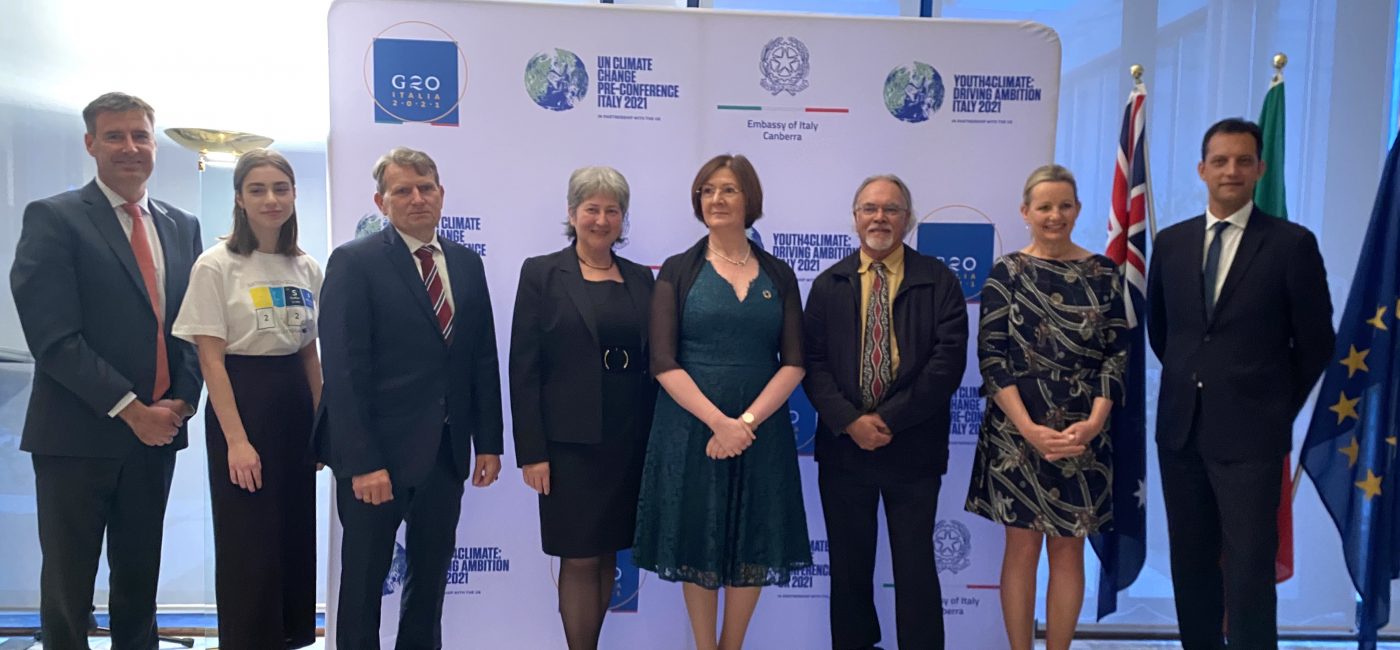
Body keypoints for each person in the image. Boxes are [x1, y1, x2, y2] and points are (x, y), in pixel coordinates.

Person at [9, 91, 203, 649]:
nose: (130, 147)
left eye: (141, 135)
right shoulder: (54, 217)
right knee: (69, 586)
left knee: (140, 579)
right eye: (115, 135)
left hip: (157, 436)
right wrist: (130, 409)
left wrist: (181, 403)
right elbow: (53, 336)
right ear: (91, 144)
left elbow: (192, 327)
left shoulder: (181, 225)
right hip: (76, 435)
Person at [1147, 118, 1334, 649]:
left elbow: (1317, 342)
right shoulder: (1173, 242)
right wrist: (1199, 381)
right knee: (1191, 562)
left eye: (1243, 160)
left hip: (1253, 436)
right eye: (1221, 161)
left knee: (1250, 569)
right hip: (1182, 430)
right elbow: (1167, 333)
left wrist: (1273, 403)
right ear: (1202, 169)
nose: (1232, 170)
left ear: (1260, 169)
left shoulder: (1291, 245)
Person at [315, 146, 504, 650]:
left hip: (445, 454)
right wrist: (362, 463)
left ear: (441, 195)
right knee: (363, 586)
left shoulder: (466, 264)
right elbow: (343, 371)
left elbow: (481, 358)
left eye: (426, 188)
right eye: (403, 190)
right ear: (382, 201)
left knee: (430, 583)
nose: (417, 198)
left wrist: (488, 442)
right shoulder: (354, 263)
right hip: (377, 459)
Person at [633, 154, 811, 650]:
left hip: (762, 431)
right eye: (708, 190)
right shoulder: (676, 271)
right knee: (699, 540)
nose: (717, 199)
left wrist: (745, 423)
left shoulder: (779, 273)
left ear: (749, 199)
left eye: (728, 189)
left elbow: (794, 360)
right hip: (692, 430)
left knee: (755, 537)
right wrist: (719, 424)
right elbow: (664, 362)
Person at [964, 164, 1128, 650]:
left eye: (1064, 205)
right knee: (1021, 548)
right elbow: (992, 359)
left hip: (1084, 433)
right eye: (1044, 207)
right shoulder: (1006, 272)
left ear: (1077, 209)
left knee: (1068, 549)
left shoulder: (1104, 272)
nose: (1055, 215)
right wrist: (1030, 429)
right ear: (1025, 212)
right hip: (1017, 433)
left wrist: (1095, 422)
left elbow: (1117, 354)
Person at [803, 174, 968, 650]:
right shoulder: (828, 284)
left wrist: (890, 419)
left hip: (913, 448)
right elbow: (811, 364)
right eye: (870, 208)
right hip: (844, 449)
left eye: (891, 209)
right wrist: (851, 421)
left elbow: (947, 362)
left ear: (908, 219)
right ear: (855, 218)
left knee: (915, 568)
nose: (880, 218)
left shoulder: (938, 280)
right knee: (850, 567)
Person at [171, 149, 320, 649]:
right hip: (243, 402)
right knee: (248, 538)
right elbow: (211, 361)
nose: (271, 199)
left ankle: (290, 637)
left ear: (295, 195)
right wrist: (237, 441)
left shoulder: (305, 265)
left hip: (295, 406)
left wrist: (324, 426)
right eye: (257, 189)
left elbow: (310, 353)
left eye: (280, 188)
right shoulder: (217, 265)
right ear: (239, 198)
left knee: (294, 531)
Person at [509, 166, 656, 649]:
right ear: (572, 214)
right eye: (591, 209)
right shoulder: (542, 273)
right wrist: (532, 452)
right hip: (567, 444)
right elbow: (524, 368)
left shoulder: (641, 279)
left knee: (609, 553)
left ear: (622, 219)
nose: (601, 219)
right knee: (578, 558)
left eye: (612, 210)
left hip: (627, 438)